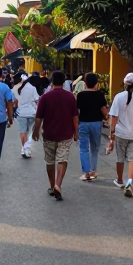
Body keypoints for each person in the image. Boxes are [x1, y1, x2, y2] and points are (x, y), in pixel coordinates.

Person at [32, 69, 78, 200]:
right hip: (65, 134)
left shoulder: (45, 97)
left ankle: (52, 186)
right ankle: (58, 185)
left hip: (49, 134)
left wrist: (36, 131)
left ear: (52, 81)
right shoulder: (70, 96)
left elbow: (38, 117)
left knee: (50, 161)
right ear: (64, 82)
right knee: (62, 160)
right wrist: (76, 132)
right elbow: (75, 117)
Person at [108, 72, 133, 198]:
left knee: (120, 158)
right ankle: (129, 183)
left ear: (125, 84)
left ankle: (119, 180)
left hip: (121, 133)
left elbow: (113, 118)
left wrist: (112, 134)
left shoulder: (118, 97)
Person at [76, 72, 108, 181]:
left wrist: (75, 126)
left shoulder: (80, 95)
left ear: (85, 83)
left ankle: (86, 173)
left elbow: (77, 112)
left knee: (83, 148)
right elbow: (103, 109)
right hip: (96, 123)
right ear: (96, 83)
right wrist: (108, 119)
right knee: (95, 148)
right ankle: (94, 170)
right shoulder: (99, 94)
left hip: (83, 123)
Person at [12, 71, 39, 158]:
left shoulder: (16, 88)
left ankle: (24, 149)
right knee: (29, 132)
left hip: (21, 113)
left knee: (23, 132)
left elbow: (14, 101)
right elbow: (37, 100)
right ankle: (26, 149)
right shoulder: (32, 88)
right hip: (32, 113)